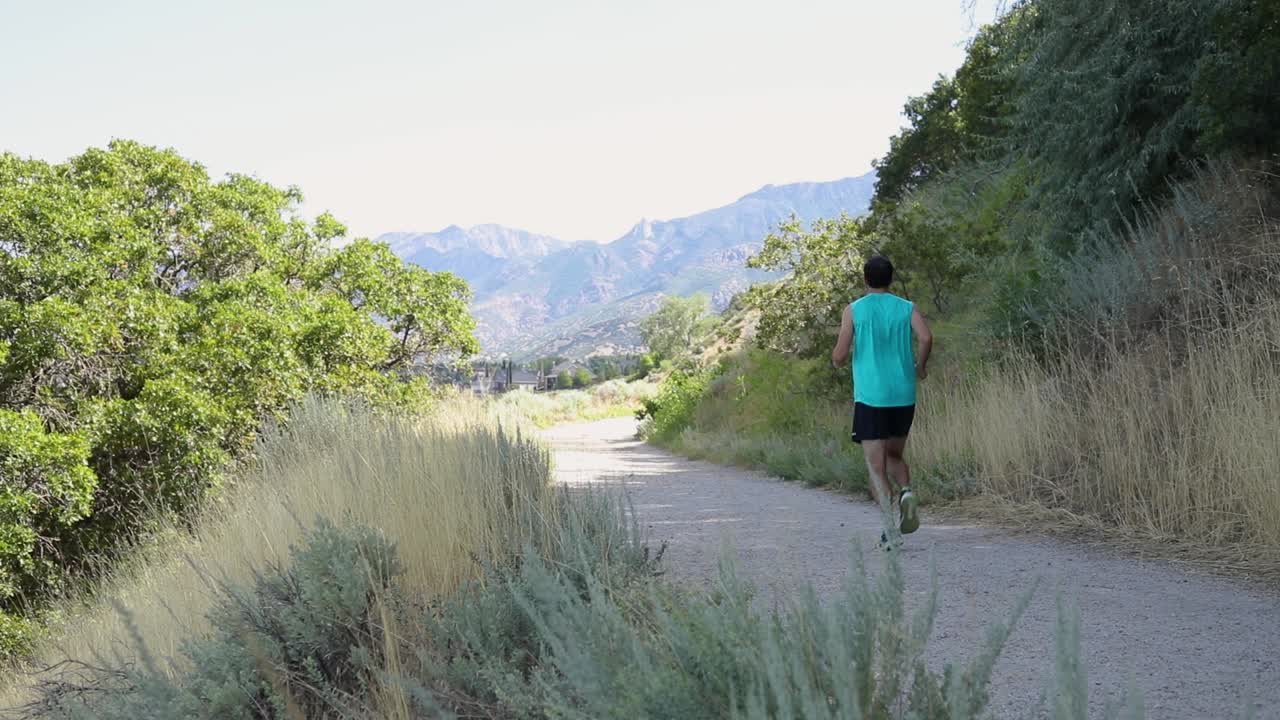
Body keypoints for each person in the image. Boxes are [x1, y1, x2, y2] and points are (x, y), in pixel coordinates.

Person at [830, 255, 933, 550]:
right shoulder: (907, 308)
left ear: (865, 280)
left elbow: (839, 354)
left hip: (871, 398)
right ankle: (906, 492)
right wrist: (921, 367)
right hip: (903, 394)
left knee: (876, 468)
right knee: (895, 456)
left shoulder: (854, 310)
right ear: (891, 278)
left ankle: (891, 531)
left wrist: (837, 361)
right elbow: (925, 338)